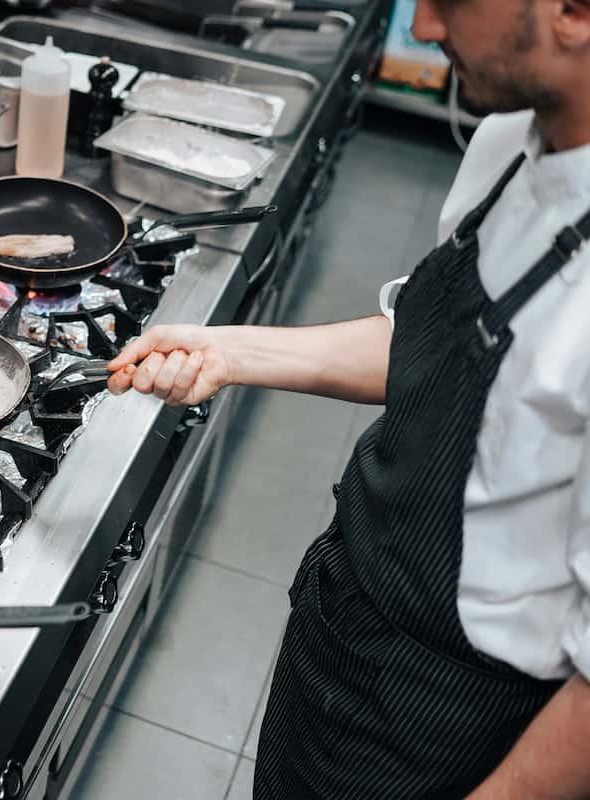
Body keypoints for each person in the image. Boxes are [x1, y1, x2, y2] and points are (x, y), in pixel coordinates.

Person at [106, 0, 590, 793]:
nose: (425, 29)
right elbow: (430, 346)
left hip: (449, 725)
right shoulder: (511, 142)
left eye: (450, 3)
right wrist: (227, 350)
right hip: (342, 622)